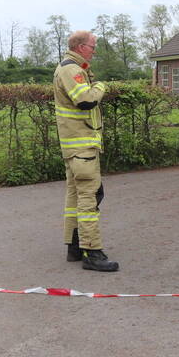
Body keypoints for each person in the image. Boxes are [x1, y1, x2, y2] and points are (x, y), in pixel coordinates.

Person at [53, 30, 118, 272]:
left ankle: (74, 246)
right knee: (90, 197)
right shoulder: (72, 70)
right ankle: (92, 251)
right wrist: (100, 86)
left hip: (75, 146)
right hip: (81, 146)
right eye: (92, 46)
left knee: (75, 198)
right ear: (81, 47)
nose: (94, 49)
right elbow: (86, 100)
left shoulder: (72, 67)